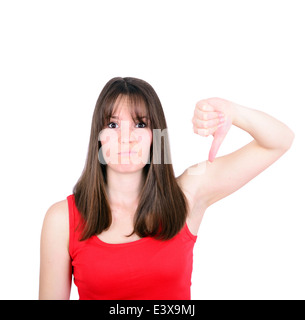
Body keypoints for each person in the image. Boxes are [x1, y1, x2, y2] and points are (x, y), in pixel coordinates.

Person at [39, 77, 294, 300]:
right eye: (113, 124)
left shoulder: (187, 194)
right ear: (98, 136)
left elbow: (279, 141)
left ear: (156, 137)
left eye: (140, 124)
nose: (126, 137)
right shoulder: (62, 219)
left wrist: (232, 112)